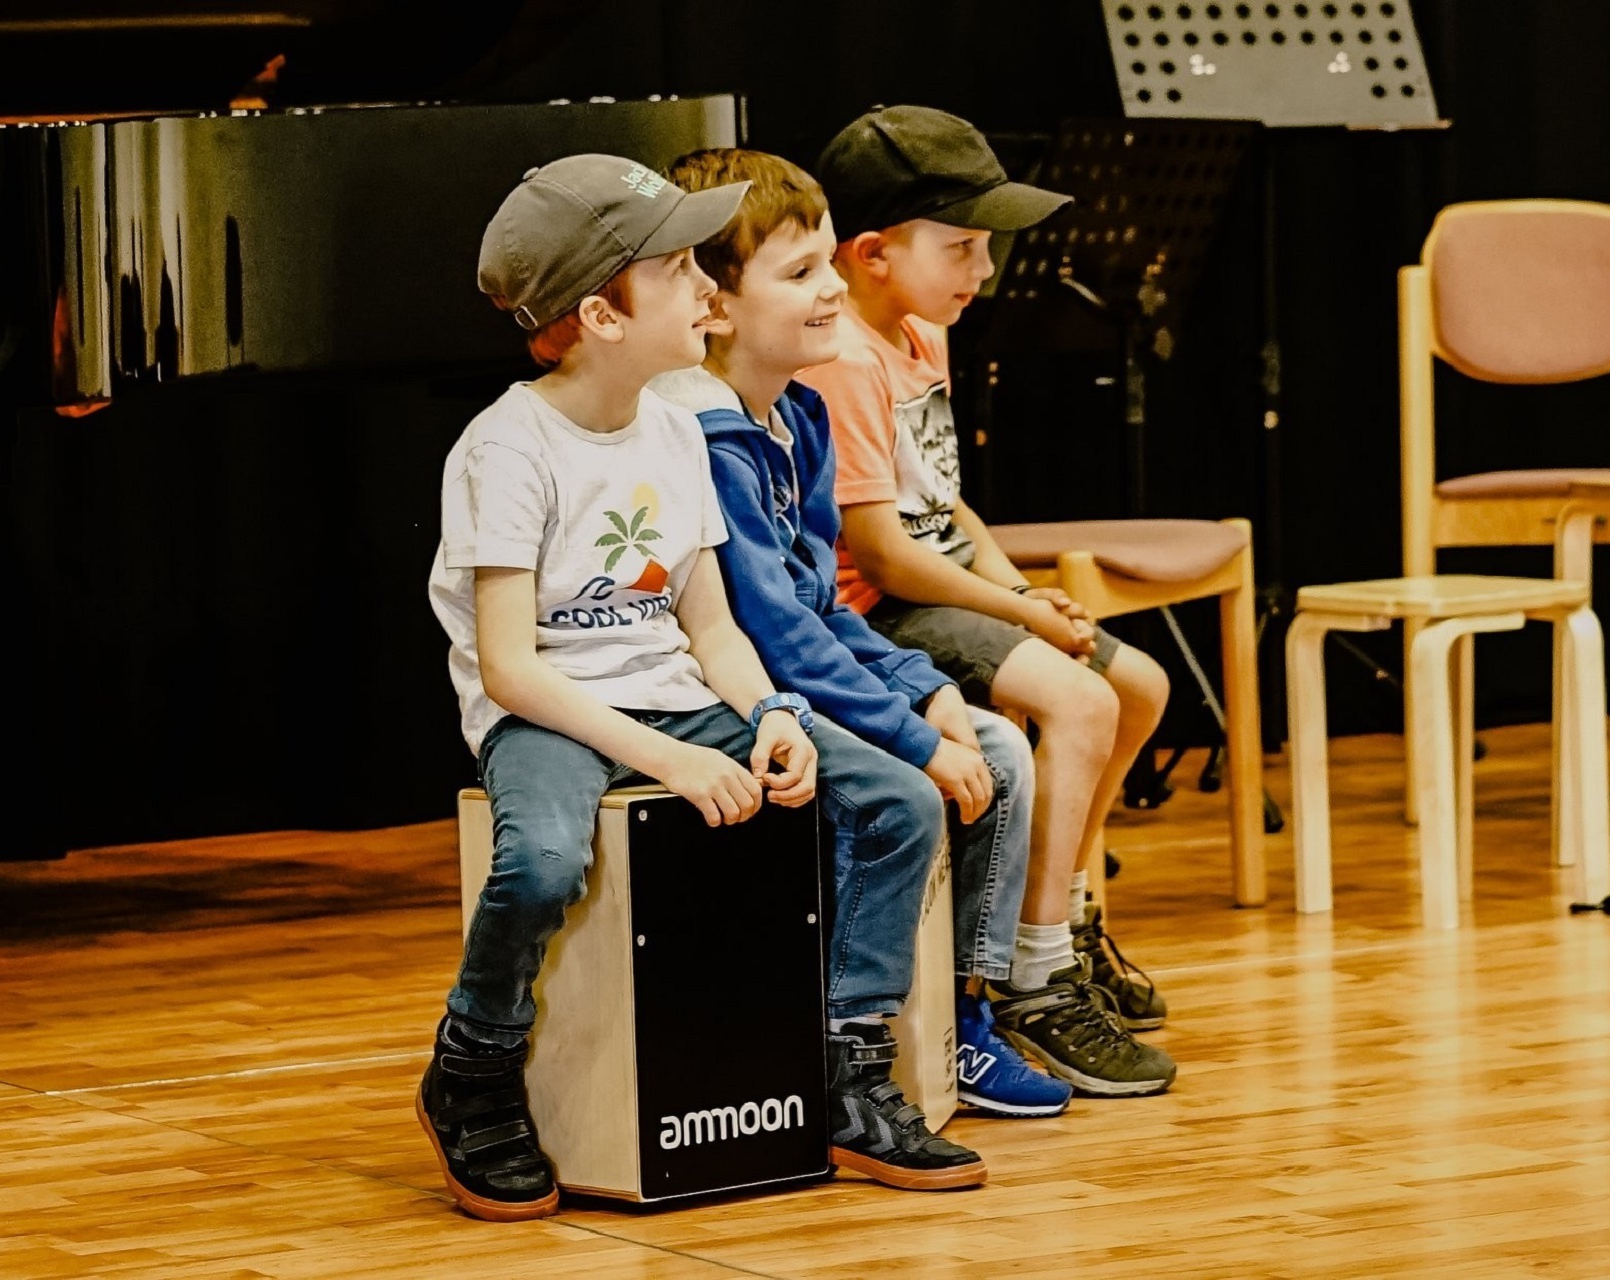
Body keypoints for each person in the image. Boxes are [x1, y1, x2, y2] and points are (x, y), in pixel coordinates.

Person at [419, 154, 985, 1222]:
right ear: (600, 312)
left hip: (680, 692)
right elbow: (510, 666)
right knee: (542, 855)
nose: (707, 291)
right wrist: (669, 755)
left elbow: (712, 624)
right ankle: (476, 1059)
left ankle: (846, 1067)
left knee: (896, 798)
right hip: (554, 709)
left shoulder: (680, 427)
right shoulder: (505, 446)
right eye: (679, 270)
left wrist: (771, 712)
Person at [656, 145, 1171, 1107]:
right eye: (803, 274)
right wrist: (908, 721)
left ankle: (973, 1010)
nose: (829, 296)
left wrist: (925, 687)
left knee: (1012, 747)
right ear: (715, 304)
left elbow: (819, 601)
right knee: (930, 781)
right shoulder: (713, 432)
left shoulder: (796, 413)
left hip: (827, 660)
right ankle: (879, 1044)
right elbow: (789, 619)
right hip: (737, 695)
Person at [802, 106, 1176, 1091]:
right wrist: (1016, 614)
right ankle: (1031, 976)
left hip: (949, 585)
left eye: (987, 247)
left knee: (1138, 683)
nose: (984, 272)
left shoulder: (923, 328)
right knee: (1081, 700)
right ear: (872, 252)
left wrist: (1020, 585)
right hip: (880, 611)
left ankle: (1071, 909)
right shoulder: (840, 356)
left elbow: (939, 495)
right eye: (961, 247)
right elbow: (881, 551)